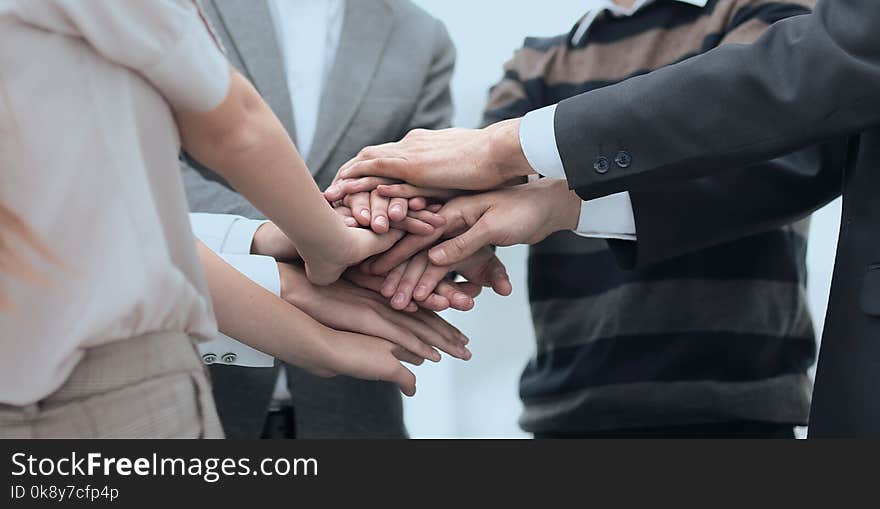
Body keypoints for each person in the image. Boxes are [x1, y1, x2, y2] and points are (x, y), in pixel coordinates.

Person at [329, 0, 880, 436]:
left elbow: (779, 154)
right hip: (567, 405)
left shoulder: (761, 16)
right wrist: (407, 217)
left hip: (735, 403)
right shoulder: (537, 59)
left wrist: (550, 195)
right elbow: (470, 187)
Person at [0, 0, 442, 438]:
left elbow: (107, 222)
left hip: (332, 404)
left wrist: (301, 302)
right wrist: (331, 244)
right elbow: (235, 127)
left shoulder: (421, 33)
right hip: (102, 392)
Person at [181, 0, 506, 439]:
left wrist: (392, 218)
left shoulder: (421, 36)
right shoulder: (173, 6)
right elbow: (135, 172)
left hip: (354, 407)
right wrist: (308, 230)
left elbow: (430, 192)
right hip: (184, 388)